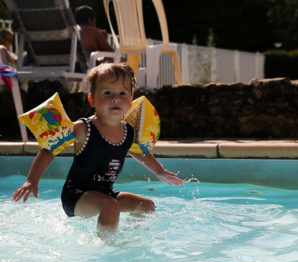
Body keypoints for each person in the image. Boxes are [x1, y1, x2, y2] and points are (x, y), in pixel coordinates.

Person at [12, 63, 184, 235]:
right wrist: (32, 180)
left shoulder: (128, 131)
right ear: (92, 99)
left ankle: (129, 237)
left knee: (146, 205)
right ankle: (105, 245)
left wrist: (159, 171)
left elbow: (139, 151)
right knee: (110, 205)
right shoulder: (84, 128)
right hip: (76, 196)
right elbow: (49, 149)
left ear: (130, 100)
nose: (115, 98)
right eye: (107, 93)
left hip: (105, 193)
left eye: (122, 93)